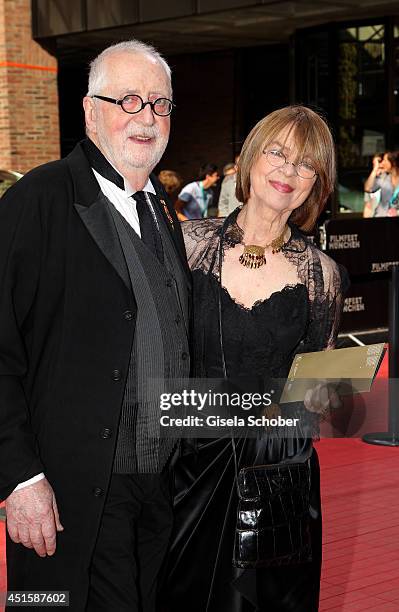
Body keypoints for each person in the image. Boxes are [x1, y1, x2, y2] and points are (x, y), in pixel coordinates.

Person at [0, 39, 191, 611]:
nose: (147, 118)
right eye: (128, 100)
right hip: (68, 493)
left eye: (159, 104)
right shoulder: (40, 199)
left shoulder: (163, 209)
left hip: (157, 491)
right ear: (89, 110)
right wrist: (18, 480)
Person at [162, 105, 345, 611]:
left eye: (305, 164)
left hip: (274, 477)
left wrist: (328, 394)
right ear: (249, 159)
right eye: (278, 152)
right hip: (186, 468)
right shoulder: (186, 244)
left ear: (318, 182)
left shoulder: (323, 275)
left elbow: (319, 401)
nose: (288, 171)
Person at [363, 151, 399, 217]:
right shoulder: (383, 178)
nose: (382, 163)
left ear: (393, 163)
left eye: (385, 161)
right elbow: (368, 188)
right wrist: (374, 169)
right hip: (381, 220)